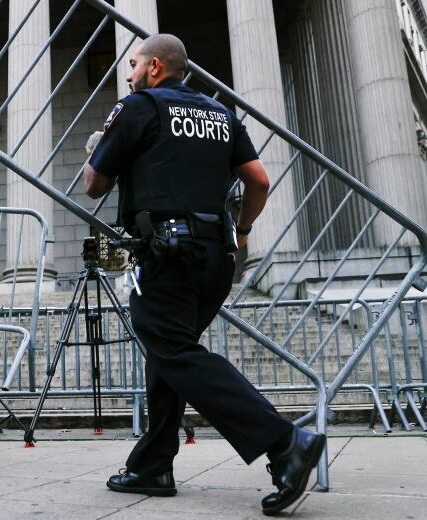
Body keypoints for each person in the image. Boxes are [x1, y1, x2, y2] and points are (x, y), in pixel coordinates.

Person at [84, 34, 325, 516]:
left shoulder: (139, 107)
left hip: (168, 253)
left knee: (173, 348)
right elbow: (257, 179)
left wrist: (104, 149)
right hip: (217, 255)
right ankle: (153, 463)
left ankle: (285, 442)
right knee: (171, 352)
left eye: (133, 65)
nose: (129, 73)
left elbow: (93, 184)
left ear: (155, 68)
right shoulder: (219, 113)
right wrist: (244, 227)